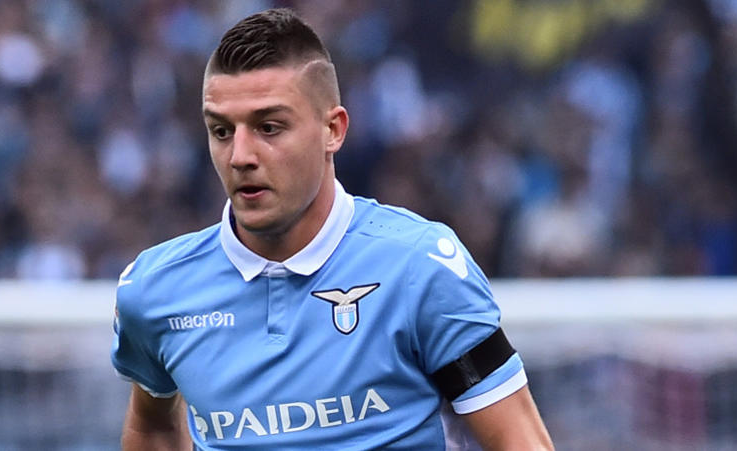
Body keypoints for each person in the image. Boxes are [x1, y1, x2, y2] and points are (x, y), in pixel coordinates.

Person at [111, 8, 553, 450]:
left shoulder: (421, 269)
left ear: (333, 130)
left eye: (269, 127)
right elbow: (153, 426)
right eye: (221, 130)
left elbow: (519, 441)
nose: (240, 155)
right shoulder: (157, 290)